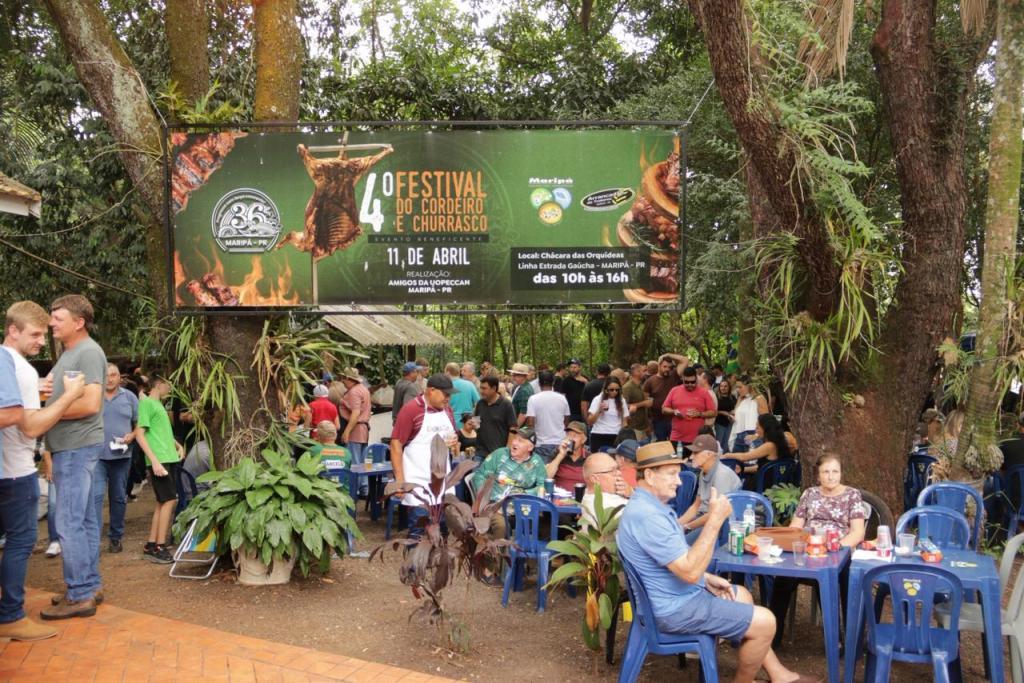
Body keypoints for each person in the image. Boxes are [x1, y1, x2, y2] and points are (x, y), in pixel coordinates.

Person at [617, 441, 810, 683]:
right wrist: (715, 520)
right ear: (649, 475)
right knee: (766, 622)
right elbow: (687, 571)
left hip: (674, 597)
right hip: (673, 609)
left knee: (741, 596)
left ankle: (778, 675)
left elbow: (672, 560)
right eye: (672, 474)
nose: (679, 481)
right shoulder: (648, 516)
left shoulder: (649, 508)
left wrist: (705, 577)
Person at [0, 301, 85, 639]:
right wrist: (69, 396)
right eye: (35, 334)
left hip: (11, 469)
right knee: (21, 543)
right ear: (13, 331)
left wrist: (32, 392)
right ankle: (11, 617)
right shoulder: (13, 364)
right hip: (15, 473)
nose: (41, 340)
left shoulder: (13, 364)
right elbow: (30, 426)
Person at [40, 294, 107, 621]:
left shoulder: (88, 352)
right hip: (73, 447)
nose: (51, 322)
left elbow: (91, 404)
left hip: (76, 448)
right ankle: (89, 586)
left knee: (68, 520)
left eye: (58, 318)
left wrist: (47, 411)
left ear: (79, 322)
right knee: (82, 519)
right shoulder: (71, 353)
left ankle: (80, 593)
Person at [768, 453, 865, 647]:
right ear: (818, 475)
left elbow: (857, 532)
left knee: (842, 576)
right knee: (783, 578)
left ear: (841, 473)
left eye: (835, 471)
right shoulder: (809, 494)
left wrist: (836, 547)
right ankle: (772, 638)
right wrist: (795, 545)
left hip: (838, 550)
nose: (831, 476)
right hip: (807, 547)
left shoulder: (852, 495)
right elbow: (795, 527)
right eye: (826, 472)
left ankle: (842, 640)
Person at [390, 373, 458, 535]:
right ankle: (416, 561)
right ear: (431, 390)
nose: (448, 398)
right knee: (419, 531)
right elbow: (395, 444)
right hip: (418, 482)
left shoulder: (447, 411)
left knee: (442, 531)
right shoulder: (411, 409)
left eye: (450, 395)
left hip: (442, 483)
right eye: (445, 394)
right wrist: (400, 480)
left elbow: (453, 440)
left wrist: (454, 443)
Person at [135, 375, 184, 564]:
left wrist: (177, 445)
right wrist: (154, 461)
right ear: (159, 385)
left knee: (163, 501)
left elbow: (160, 433)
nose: (170, 389)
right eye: (168, 385)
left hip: (168, 457)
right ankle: (160, 546)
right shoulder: (147, 404)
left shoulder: (158, 405)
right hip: (160, 460)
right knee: (170, 500)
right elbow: (140, 434)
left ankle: (152, 543)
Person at [95, 363, 138, 554]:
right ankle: (92, 540)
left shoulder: (129, 397)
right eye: (107, 375)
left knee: (119, 497)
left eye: (114, 375)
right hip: (96, 456)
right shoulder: (93, 397)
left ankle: (115, 537)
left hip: (122, 456)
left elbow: (140, 424)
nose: (110, 378)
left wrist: (132, 435)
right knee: (95, 497)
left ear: (120, 377)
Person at [679, 434, 741, 543]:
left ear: (709, 454)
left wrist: (687, 526)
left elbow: (716, 514)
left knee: (680, 544)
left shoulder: (721, 475)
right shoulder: (704, 471)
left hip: (720, 524)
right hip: (704, 518)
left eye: (695, 453)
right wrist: (677, 524)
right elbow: (695, 506)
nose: (691, 457)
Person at [662, 367, 716, 448]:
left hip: (697, 439)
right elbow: (664, 409)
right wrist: (674, 412)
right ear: (682, 379)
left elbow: (713, 412)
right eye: (686, 382)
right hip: (677, 438)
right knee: (677, 460)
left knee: (696, 461)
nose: (690, 384)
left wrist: (700, 414)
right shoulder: (674, 390)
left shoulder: (704, 392)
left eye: (692, 382)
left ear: (696, 379)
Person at [725, 413, 794, 475]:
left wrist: (727, 455)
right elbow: (763, 467)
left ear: (765, 429)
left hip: (765, 484)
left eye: (757, 427)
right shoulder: (778, 442)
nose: (755, 430)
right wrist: (743, 469)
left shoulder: (769, 446)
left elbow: (744, 457)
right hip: (771, 479)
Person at [526, 370, 571, 462]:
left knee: (544, 473)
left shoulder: (533, 399)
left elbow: (530, 423)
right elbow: (566, 421)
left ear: (539, 383)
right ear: (553, 382)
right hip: (560, 442)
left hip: (541, 444)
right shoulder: (562, 398)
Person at [579, 452, 631, 532]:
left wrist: (631, 493)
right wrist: (633, 495)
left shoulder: (592, 493)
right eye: (612, 471)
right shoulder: (605, 505)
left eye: (617, 468)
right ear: (595, 479)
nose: (619, 473)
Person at [338, 367, 371, 479]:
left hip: (355, 430)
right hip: (363, 430)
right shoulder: (363, 389)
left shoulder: (354, 392)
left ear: (348, 378)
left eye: (343, 378)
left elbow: (355, 413)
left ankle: (356, 490)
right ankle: (363, 489)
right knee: (362, 462)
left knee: (355, 463)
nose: (342, 381)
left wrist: (347, 432)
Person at [472, 376, 517, 457]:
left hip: (499, 453)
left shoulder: (506, 404)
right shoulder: (480, 403)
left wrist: (508, 449)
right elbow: (476, 424)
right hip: (480, 452)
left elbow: (513, 428)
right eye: (480, 388)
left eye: (484, 388)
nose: (481, 391)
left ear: (493, 388)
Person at [643, 355, 685, 441]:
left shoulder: (674, 375)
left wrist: (668, 354)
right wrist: (648, 422)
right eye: (664, 366)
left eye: (669, 367)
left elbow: (685, 360)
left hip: (674, 419)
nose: (667, 369)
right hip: (658, 420)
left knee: (674, 445)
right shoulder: (650, 382)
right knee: (661, 447)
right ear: (659, 366)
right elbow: (645, 403)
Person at [587, 377, 628, 452]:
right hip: (599, 434)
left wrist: (624, 435)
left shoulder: (622, 400)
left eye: (617, 390)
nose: (614, 392)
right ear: (606, 389)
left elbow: (624, 421)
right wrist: (599, 410)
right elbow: (590, 421)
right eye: (611, 389)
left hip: (616, 435)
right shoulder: (597, 399)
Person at [546, 421, 589, 491]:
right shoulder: (557, 453)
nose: (571, 438)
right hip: (559, 497)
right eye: (568, 435)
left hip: (581, 497)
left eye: (575, 435)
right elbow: (546, 477)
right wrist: (561, 455)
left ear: (583, 440)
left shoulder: (589, 458)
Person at [730, 375, 769, 452]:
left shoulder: (759, 398)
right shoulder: (741, 398)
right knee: (736, 461)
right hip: (739, 434)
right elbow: (735, 413)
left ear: (749, 386)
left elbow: (766, 420)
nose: (737, 390)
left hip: (753, 433)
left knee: (751, 462)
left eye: (740, 387)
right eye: (737, 387)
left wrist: (757, 435)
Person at [445, 362, 479, 428]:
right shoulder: (470, 384)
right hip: (468, 423)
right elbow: (479, 403)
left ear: (447, 373)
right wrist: (476, 425)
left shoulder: (445, 386)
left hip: (451, 423)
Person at [622, 363, 650, 439]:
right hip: (633, 427)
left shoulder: (641, 385)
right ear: (637, 372)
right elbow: (623, 406)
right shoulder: (627, 387)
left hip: (643, 425)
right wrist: (643, 403)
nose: (646, 373)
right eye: (643, 371)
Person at [558, 358, 587, 422]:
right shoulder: (566, 380)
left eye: (574, 367)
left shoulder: (586, 379)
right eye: (571, 367)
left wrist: (586, 382)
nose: (572, 369)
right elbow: (562, 397)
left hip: (584, 412)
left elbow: (591, 394)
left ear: (579, 367)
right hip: (571, 413)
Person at [507, 362, 534, 427]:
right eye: (512, 375)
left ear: (523, 376)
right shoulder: (521, 386)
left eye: (516, 375)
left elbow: (523, 414)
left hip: (521, 428)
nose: (513, 378)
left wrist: (514, 430)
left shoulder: (524, 390)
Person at [714, 378, 736, 453]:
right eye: (721, 386)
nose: (723, 388)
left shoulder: (732, 397)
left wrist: (733, 412)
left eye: (725, 386)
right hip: (719, 423)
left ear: (729, 387)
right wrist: (723, 412)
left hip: (729, 423)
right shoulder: (716, 397)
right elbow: (713, 411)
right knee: (718, 443)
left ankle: (725, 460)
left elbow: (735, 408)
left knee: (726, 444)